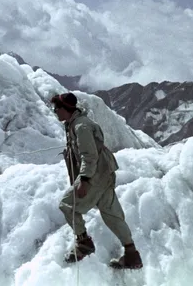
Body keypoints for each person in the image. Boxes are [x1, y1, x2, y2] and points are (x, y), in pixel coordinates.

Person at [51, 92, 143, 269]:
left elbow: (89, 155)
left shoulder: (81, 127)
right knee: (111, 214)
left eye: (57, 108)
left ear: (66, 109)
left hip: (95, 176)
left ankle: (83, 242)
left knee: (67, 205)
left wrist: (84, 179)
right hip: (104, 173)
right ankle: (132, 254)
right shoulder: (76, 124)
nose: (55, 112)